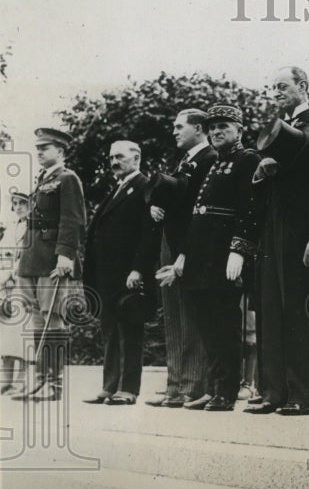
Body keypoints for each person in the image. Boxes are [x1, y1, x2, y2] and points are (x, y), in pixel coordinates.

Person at [245, 66, 309, 416]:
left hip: (301, 231)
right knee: (270, 307)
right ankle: (273, 391)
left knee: (297, 309)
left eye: (282, 86)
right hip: (273, 228)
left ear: (303, 86)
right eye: (273, 87)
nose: (276, 92)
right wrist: (261, 172)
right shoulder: (277, 129)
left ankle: (301, 393)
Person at [175, 105, 262, 412]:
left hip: (223, 254)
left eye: (224, 126)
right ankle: (214, 388)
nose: (216, 132)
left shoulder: (247, 159)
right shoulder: (216, 162)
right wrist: (186, 253)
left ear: (240, 129)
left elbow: (250, 207)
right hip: (203, 254)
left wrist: (239, 249)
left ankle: (226, 391)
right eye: (212, 127)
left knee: (224, 324)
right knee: (207, 325)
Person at [146, 108, 217, 408]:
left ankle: (192, 386)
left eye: (179, 127)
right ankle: (175, 386)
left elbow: (200, 212)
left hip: (191, 246)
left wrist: (187, 252)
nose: (174, 132)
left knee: (190, 318)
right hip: (171, 242)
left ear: (198, 128)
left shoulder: (210, 158)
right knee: (174, 318)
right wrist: (155, 206)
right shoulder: (184, 161)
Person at [82, 141, 161, 405]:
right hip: (108, 275)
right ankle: (110, 386)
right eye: (111, 157)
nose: (114, 162)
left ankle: (128, 389)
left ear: (136, 158)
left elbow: (149, 233)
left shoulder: (145, 186)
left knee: (129, 331)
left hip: (128, 274)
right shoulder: (118, 188)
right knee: (110, 331)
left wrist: (139, 269)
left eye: (119, 157)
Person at [13, 128, 87, 403]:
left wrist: (65, 255)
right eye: (38, 148)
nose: (40, 152)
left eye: (45, 148)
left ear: (60, 151)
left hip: (52, 260)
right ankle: (42, 379)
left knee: (53, 318)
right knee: (37, 319)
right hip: (33, 258)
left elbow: (73, 219)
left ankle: (54, 384)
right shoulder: (43, 179)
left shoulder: (68, 178)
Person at [0, 191, 32, 396]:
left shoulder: (34, 227)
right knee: (7, 331)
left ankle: (23, 379)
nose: (18, 207)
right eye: (15, 203)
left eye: (22, 203)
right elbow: (3, 253)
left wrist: (14, 272)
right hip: (7, 284)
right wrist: (5, 275)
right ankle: (6, 380)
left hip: (25, 283)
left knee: (24, 331)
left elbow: (30, 255)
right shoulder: (11, 227)